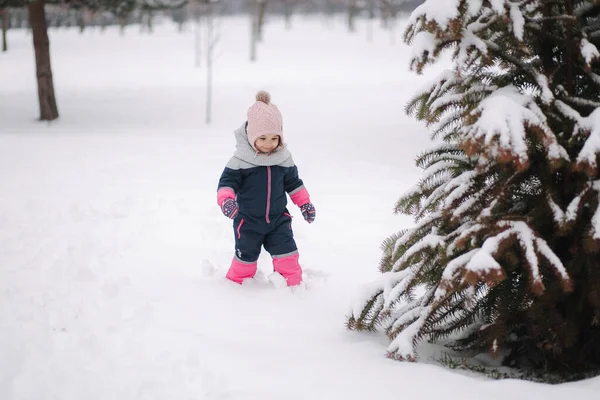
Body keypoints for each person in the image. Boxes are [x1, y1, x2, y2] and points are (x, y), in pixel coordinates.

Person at [216, 90, 316, 287]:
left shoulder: (283, 159)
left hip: (278, 221)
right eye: (262, 138)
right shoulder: (240, 161)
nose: (269, 144)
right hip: (248, 222)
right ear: (252, 136)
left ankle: (293, 290)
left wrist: (305, 203)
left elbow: (294, 184)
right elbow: (226, 184)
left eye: (274, 138)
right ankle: (233, 291)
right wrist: (227, 201)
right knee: (245, 262)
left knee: (289, 258)